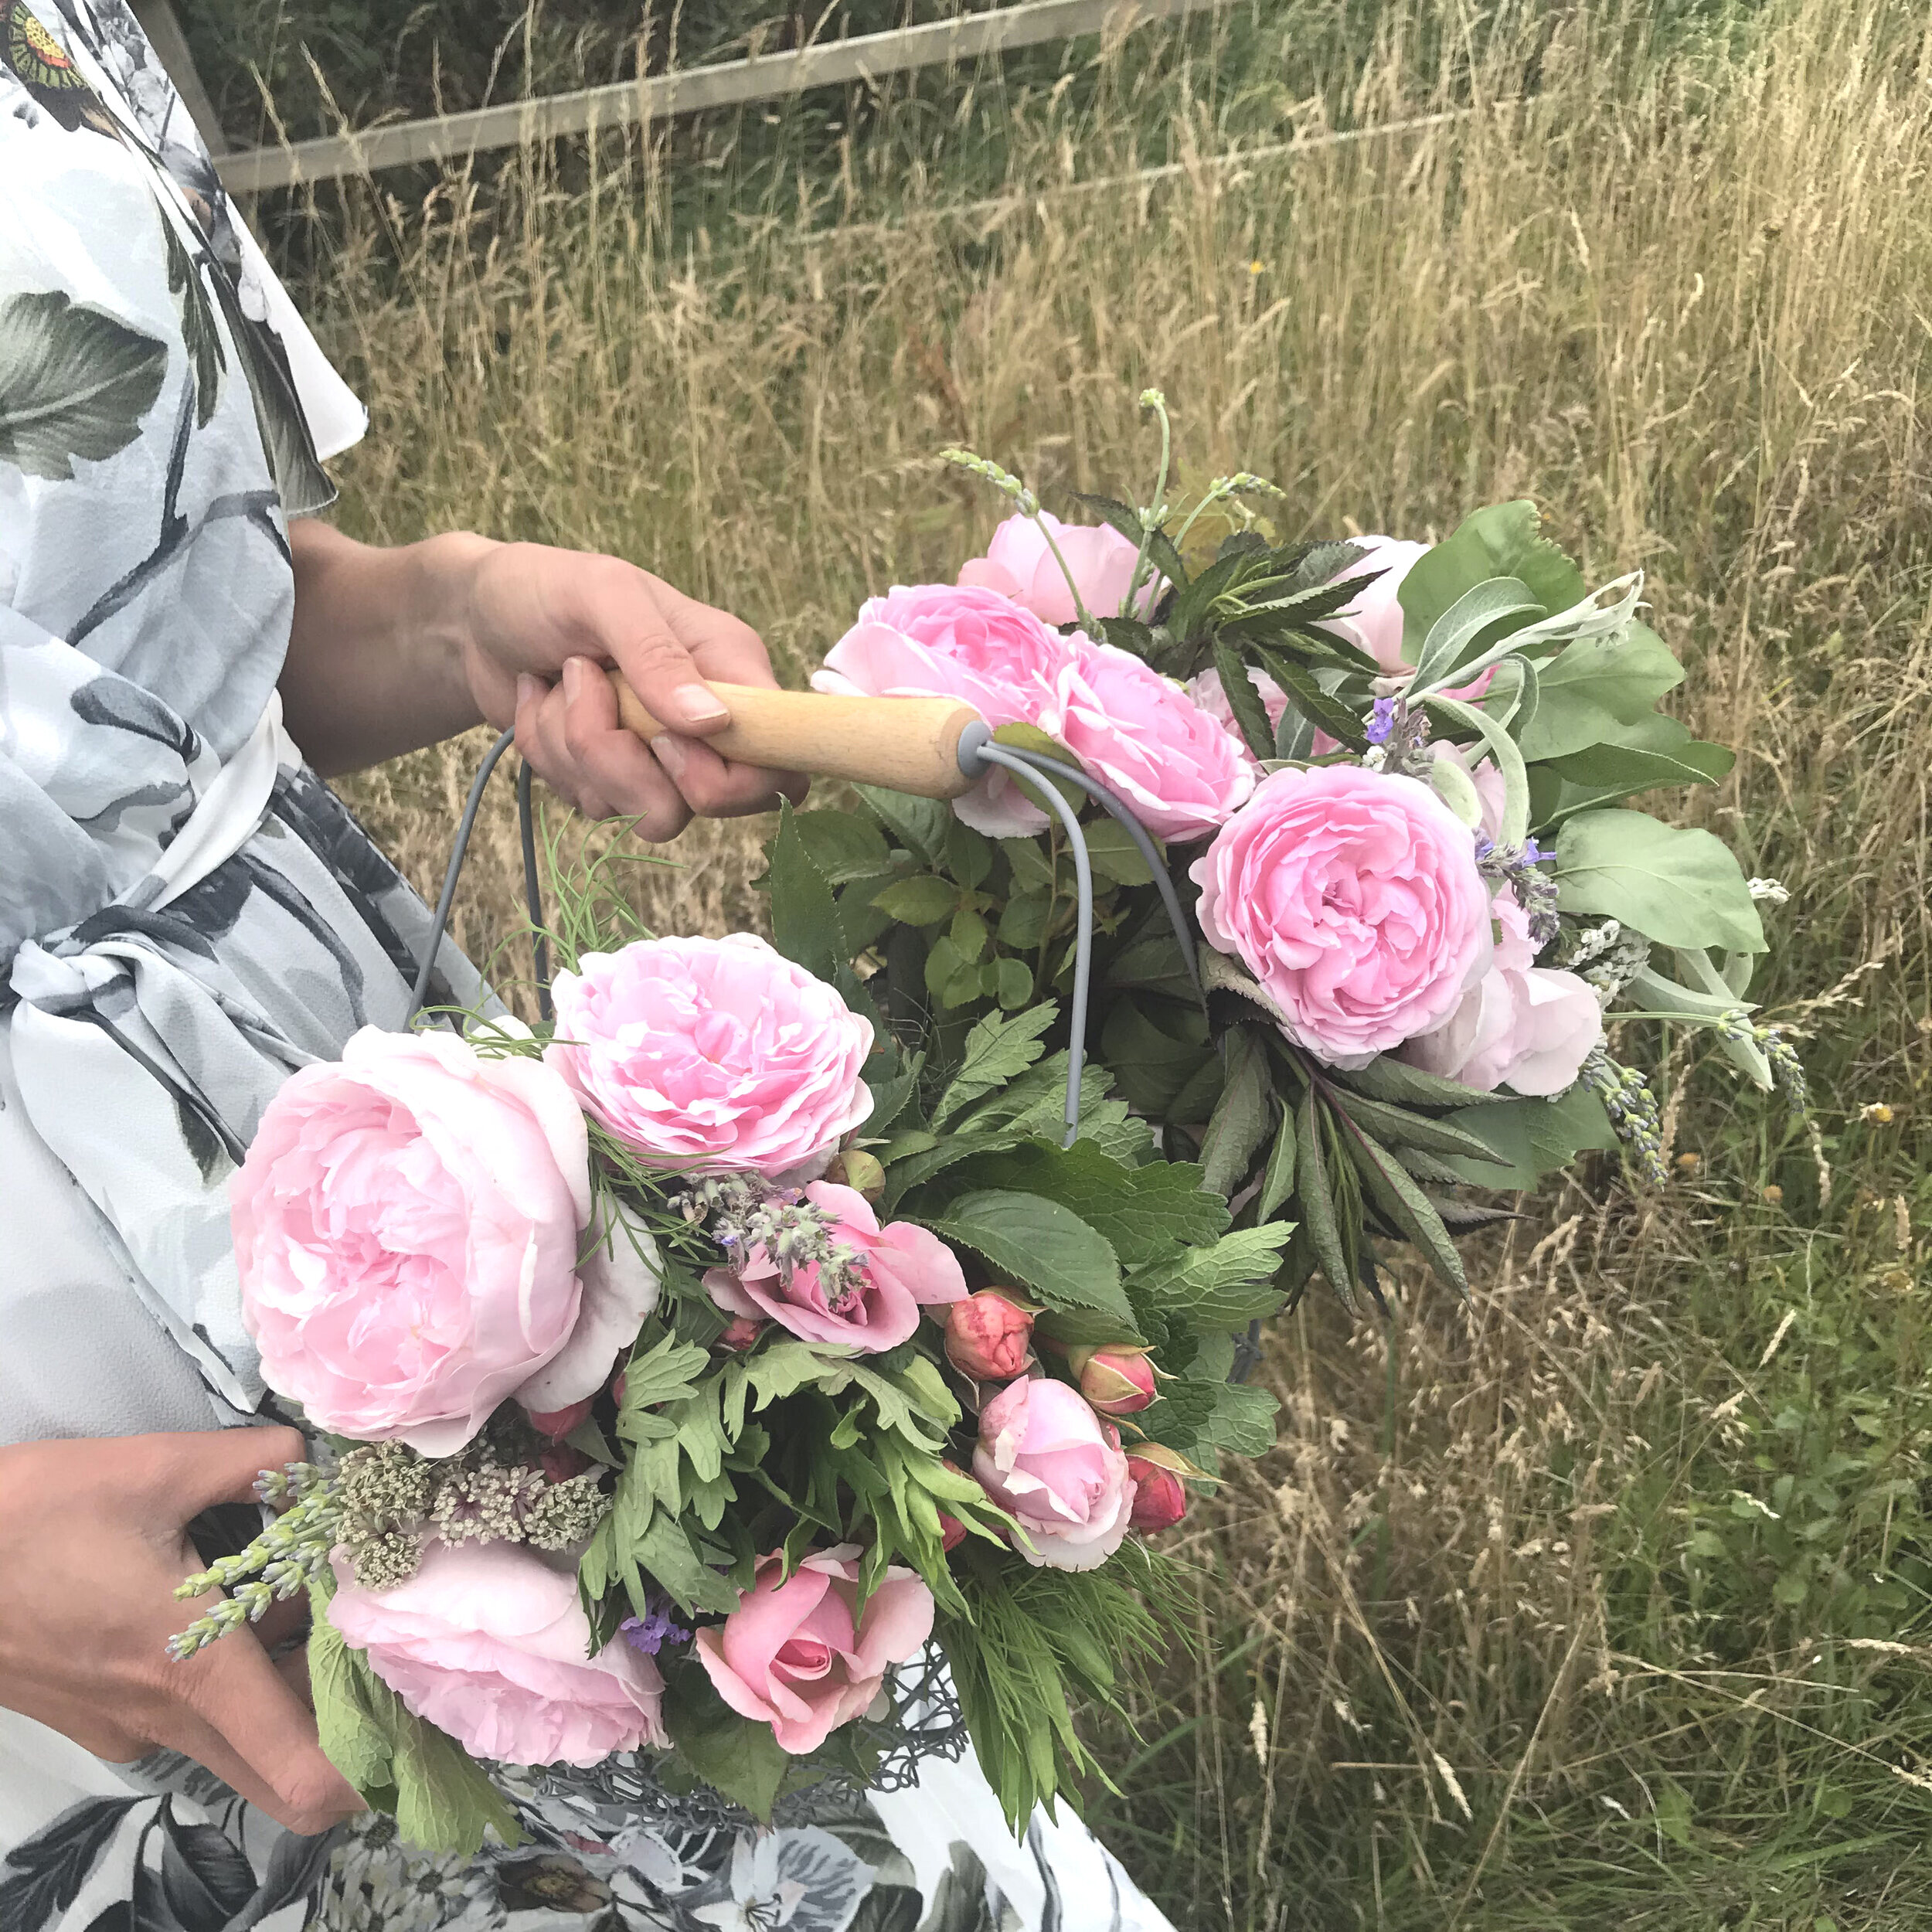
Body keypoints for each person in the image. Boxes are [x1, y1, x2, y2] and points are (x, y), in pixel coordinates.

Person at [0, 3, 1174, 1927]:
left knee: (830, 1850)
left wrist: (456, 614)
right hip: (45, 1466)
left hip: (398, 1187)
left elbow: (194, 629)